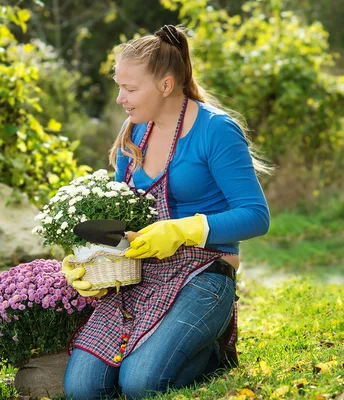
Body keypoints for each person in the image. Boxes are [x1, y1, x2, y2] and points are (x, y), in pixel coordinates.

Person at [62, 25, 270, 399]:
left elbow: (256, 215)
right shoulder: (134, 132)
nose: (120, 99)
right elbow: (121, 217)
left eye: (130, 88)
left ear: (166, 85)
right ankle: (175, 350)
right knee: (83, 388)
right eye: (119, 86)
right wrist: (88, 258)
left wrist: (181, 230)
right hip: (142, 274)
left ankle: (210, 350)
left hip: (205, 274)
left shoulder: (216, 130)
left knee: (140, 383)